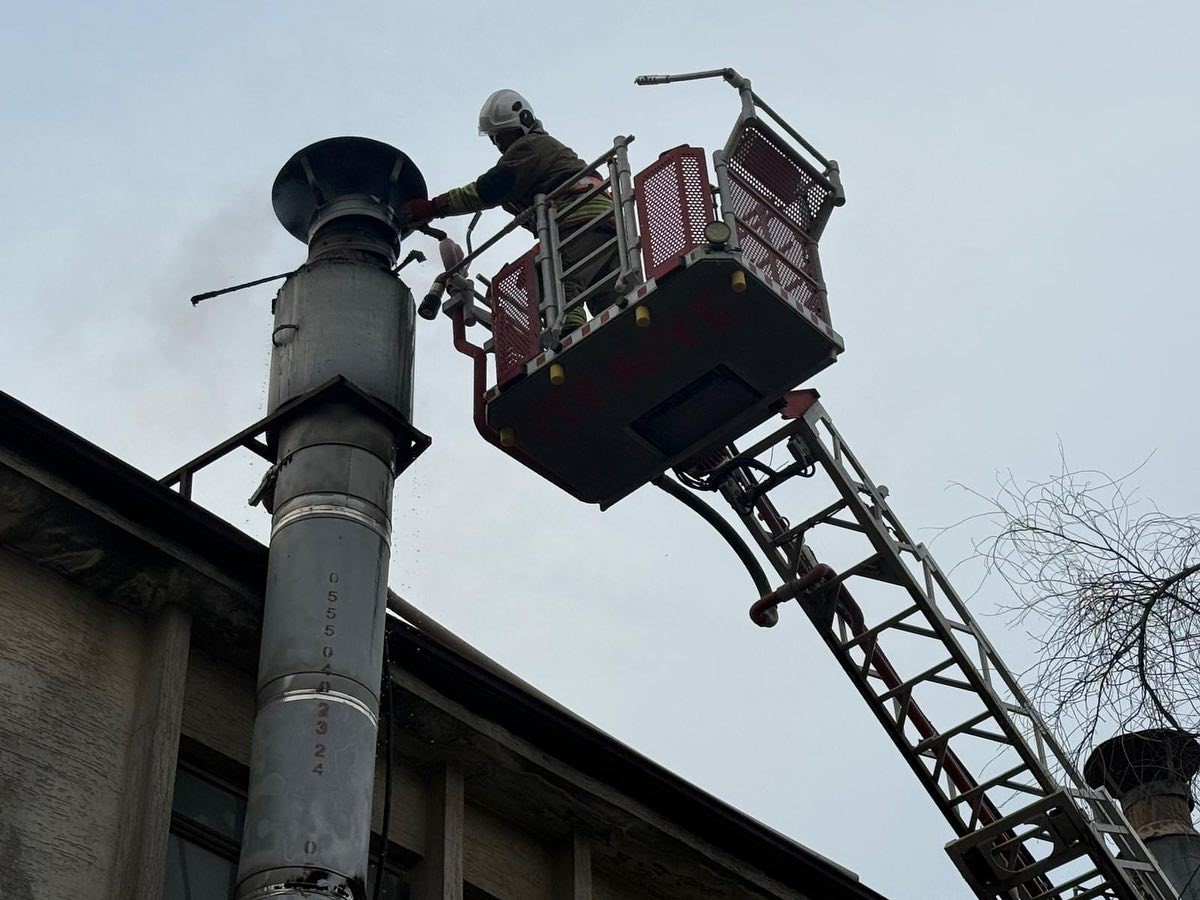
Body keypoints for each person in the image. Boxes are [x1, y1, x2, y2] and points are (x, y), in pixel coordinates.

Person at [403, 90, 620, 333]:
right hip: (608, 224)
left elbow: (489, 189)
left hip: (578, 219)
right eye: (494, 139)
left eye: (501, 136)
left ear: (523, 123)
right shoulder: (546, 152)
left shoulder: (530, 147)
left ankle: (570, 338)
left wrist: (434, 207)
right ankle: (620, 335)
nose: (498, 145)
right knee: (608, 297)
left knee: (546, 281)